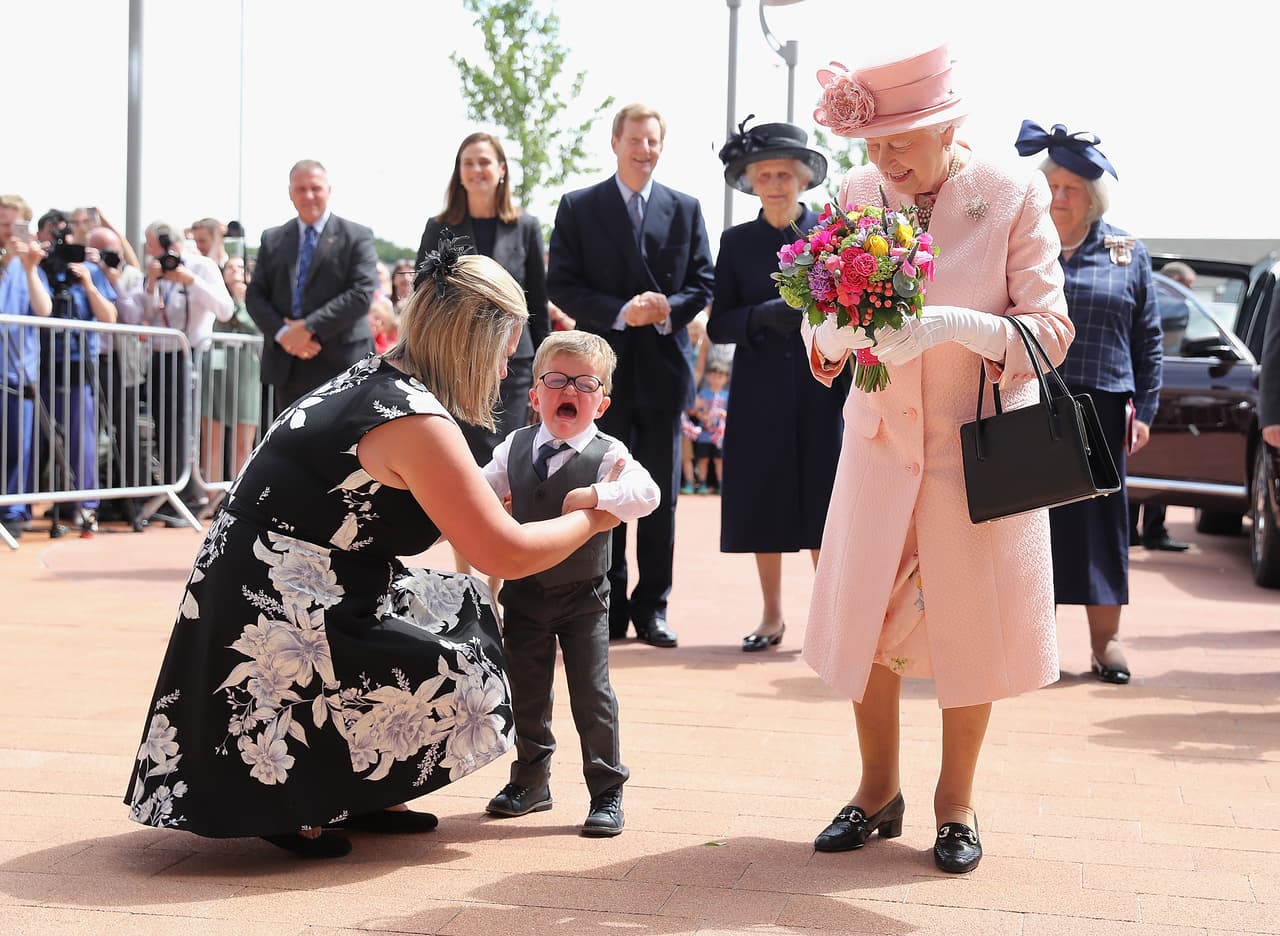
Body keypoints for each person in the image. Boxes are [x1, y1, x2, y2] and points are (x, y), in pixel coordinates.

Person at [123, 242, 621, 859]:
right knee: (464, 649)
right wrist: (595, 517)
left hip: (266, 590)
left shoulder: (376, 379)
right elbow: (505, 554)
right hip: (278, 612)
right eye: (503, 351)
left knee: (454, 605)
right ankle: (292, 795)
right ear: (471, 341)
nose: (503, 371)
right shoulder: (416, 421)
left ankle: (362, 789)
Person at [799, 44, 1073, 873]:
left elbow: (1051, 333)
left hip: (972, 456)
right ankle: (877, 789)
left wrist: (960, 326)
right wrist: (830, 334)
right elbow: (817, 325)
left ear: (950, 124)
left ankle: (957, 801)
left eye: (901, 141)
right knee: (868, 624)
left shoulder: (1015, 192)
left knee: (971, 625)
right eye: (873, 143)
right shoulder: (852, 194)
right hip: (880, 449)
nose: (884, 160)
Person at [547, 103, 716, 648]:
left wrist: (666, 308)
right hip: (601, 377)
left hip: (664, 374)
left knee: (662, 497)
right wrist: (622, 311)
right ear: (616, 142)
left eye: (654, 141)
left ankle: (653, 607)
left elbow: (704, 282)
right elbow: (562, 284)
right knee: (604, 490)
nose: (646, 150)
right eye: (636, 140)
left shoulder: (685, 208)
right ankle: (608, 604)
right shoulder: (579, 206)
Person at [480, 331, 659, 837]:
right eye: (557, 380)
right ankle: (530, 780)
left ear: (601, 402)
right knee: (527, 691)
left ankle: (606, 790)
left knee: (592, 693)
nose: (570, 391)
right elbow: (481, 489)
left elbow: (646, 493)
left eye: (585, 384)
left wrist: (598, 494)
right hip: (525, 592)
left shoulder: (608, 453)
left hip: (584, 597)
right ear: (535, 395)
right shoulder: (512, 447)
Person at [1016, 120, 1162, 686]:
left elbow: (1147, 338)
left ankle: (1108, 644)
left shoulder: (1126, 252)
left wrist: (1144, 411)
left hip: (1102, 407)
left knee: (1102, 528)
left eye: (1071, 188)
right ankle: (1036, 647)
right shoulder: (1024, 248)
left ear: (1092, 197)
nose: (1058, 198)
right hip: (1033, 406)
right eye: (1051, 186)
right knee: (1035, 527)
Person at [709, 118, 848, 652]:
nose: (774, 183)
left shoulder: (831, 235)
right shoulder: (736, 242)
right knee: (763, 500)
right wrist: (766, 315)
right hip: (761, 389)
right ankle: (771, 616)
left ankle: (831, 616)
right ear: (751, 181)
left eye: (783, 174)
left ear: (802, 178)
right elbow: (720, 322)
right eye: (763, 174)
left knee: (825, 498)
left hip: (826, 386)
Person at [417, 132, 551, 600]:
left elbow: (538, 297)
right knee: (461, 472)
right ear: (459, 172)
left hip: (512, 368)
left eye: (485, 162)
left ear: (501, 169)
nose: (476, 170)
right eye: (468, 162)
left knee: (506, 470)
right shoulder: (439, 226)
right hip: (454, 368)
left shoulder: (527, 226)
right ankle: (464, 580)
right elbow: (424, 297)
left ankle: (495, 590)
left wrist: (545, 367)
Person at [246, 159, 379, 425]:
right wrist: (286, 335)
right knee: (293, 452)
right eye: (301, 189)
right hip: (289, 365)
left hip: (342, 363)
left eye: (315, 188)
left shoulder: (356, 236)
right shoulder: (272, 239)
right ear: (290, 193)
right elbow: (255, 296)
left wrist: (307, 328)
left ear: (329, 190)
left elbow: (362, 293)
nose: (308, 195)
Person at [128, 221, 234, 518]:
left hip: (193, 355)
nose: (148, 250)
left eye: (150, 244)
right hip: (162, 355)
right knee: (164, 424)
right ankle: (173, 488)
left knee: (187, 425)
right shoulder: (155, 270)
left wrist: (190, 282)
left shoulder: (201, 266)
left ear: (164, 242)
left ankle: (191, 493)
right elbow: (147, 315)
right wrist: (151, 284)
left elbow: (225, 309)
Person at [1128, 260, 1194, 551]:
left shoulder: (1142, 296)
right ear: (1176, 280)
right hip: (1151, 388)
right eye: (1187, 288)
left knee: (1134, 459)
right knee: (1154, 460)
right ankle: (1152, 530)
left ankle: (1131, 530)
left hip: (1138, 386)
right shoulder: (1167, 302)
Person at [0, 195, 52, 541]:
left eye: (12, 224)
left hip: (18, 372)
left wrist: (29, 267)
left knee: (17, 446)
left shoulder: (31, 264)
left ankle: (13, 512)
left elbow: (43, 309)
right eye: (3, 224)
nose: (6, 231)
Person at [200, 256, 261, 486]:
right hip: (216, 370)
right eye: (230, 267)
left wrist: (241, 300)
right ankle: (211, 494)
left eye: (240, 267)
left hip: (246, 371)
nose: (235, 271)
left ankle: (239, 491)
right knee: (212, 438)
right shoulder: (217, 298)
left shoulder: (257, 301)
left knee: (243, 438)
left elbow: (255, 327)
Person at [690, 360, 729, 494]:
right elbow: (695, 410)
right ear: (707, 377)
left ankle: (721, 485)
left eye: (720, 376)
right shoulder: (703, 394)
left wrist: (724, 414)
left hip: (720, 436)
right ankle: (702, 484)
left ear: (726, 378)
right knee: (703, 459)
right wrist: (702, 415)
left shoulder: (727, 395)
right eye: (713, 376)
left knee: (720, 460)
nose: (716, 379)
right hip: (705, 435)